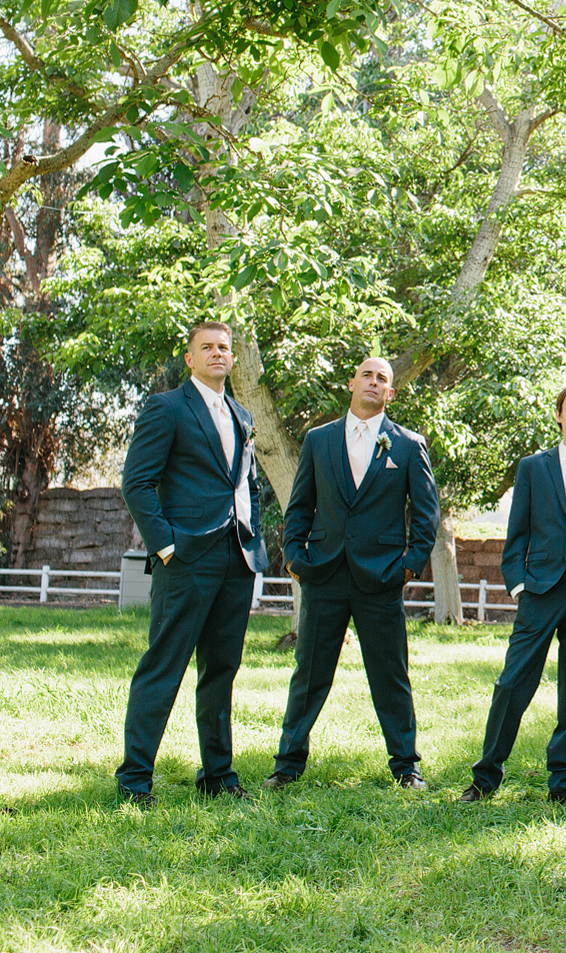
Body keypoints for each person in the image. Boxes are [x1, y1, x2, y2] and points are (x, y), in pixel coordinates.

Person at [265, 356, 438, 791]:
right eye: (368, 375)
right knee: (309, 674)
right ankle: (287, 764)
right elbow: (299, 506)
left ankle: (406, 766)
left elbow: (425, 516)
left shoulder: (407, 444)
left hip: (381, 577)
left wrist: (408, 566)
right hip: (323, 572)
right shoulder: (319, 440)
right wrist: (294, 557)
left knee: (391, 674)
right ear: (352, 383)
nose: (374, 382)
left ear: (391, 393)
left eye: (383, 379)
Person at [115, 319, 268, 805]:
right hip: (184, 559)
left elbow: (245, 486)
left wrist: (253, 538)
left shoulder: (242, 415)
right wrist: (165, 546)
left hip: (235, 558)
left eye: (224, 347)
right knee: (164, 667)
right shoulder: (166, 409)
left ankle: (218, 776)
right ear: (190, 358)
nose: (218, 353)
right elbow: (136, 483)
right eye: (207, 347)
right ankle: (135, 780)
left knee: (221, 669)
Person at [461, 383, 566, 804]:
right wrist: (518, 584)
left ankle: (561, 782)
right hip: (539, 589)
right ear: (558, 415)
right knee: (513, 681)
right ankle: (485, 777)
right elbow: (516, 534)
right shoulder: (533, 468)